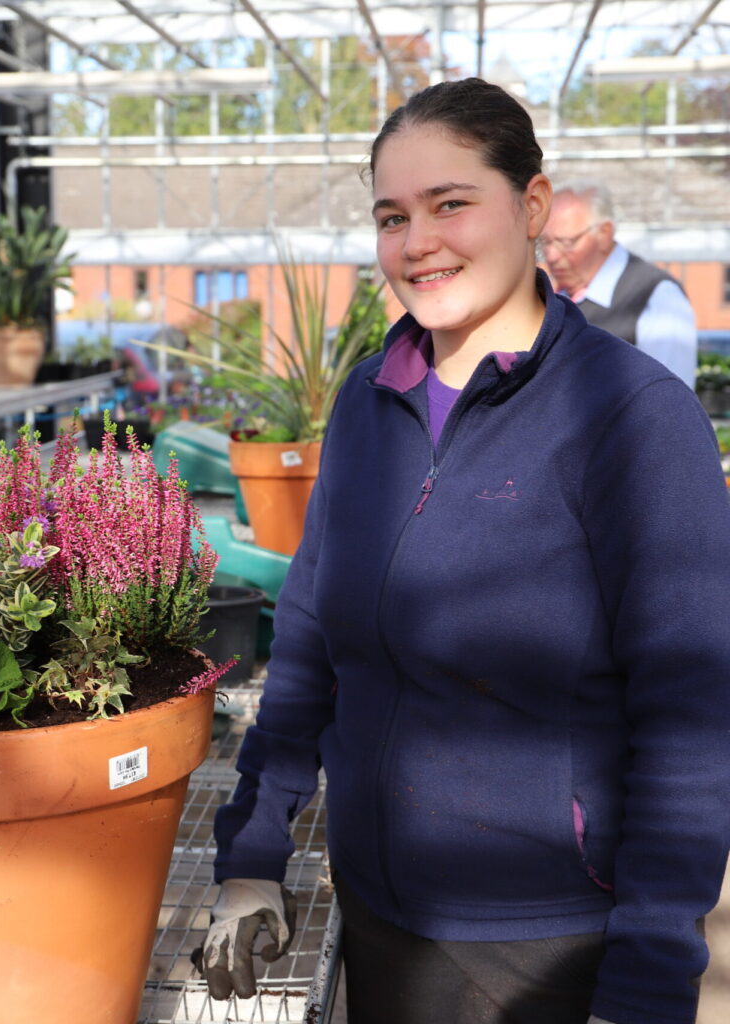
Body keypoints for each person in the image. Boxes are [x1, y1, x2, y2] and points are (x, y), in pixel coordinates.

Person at [195, 78, 730, 1024]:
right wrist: (252, 854)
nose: (418, 242)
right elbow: (314, 636)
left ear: (530, 205)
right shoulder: (368, 399)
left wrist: (649, 978)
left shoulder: (631, 417)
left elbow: (689, 719)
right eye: (392, 216)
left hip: (546, 942)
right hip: (382, 911)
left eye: (452, 204)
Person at [542, 180, 697, 387]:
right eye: (545, 242)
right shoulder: (550, 299)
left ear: (604, 233)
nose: (551, 256)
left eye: (567, 243)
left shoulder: (656, 296)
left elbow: (671, 402)